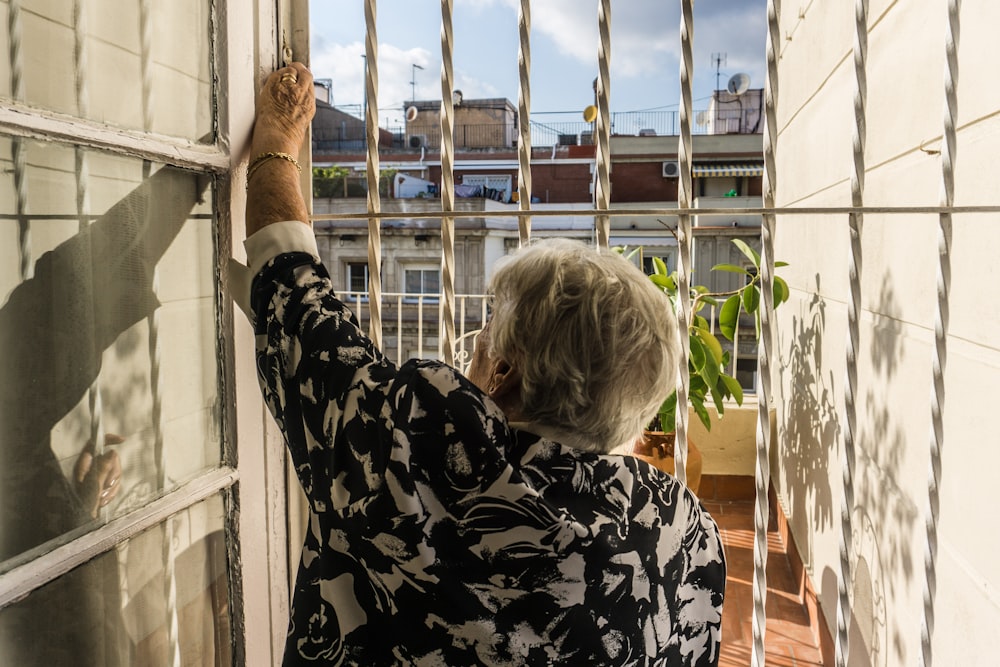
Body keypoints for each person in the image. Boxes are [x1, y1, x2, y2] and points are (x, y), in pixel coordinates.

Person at [237, 62, 726, 666]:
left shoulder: (413, 460)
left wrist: (278, 143)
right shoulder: (684, 534)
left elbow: (295, 301)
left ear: (503, 373)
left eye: (484, 331)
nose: (474, 343)